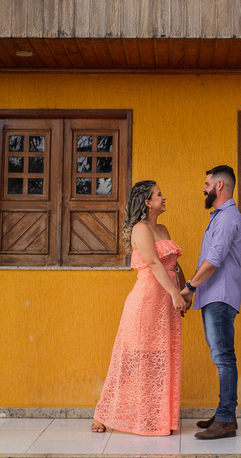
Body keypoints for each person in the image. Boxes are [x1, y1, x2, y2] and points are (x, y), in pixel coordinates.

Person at [92, 181, 190, 436]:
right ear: (148, 202)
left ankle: (156, 417)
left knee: (159, 359)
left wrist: (185, 291)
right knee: (132, 360)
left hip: (166, 303)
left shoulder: (164, 228)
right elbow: (155, 264)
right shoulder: (140, 229)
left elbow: (173, 266)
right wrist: (174, 295)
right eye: (159, 194)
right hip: (146, 302)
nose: (164, 196)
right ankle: (102, 413)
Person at [182, 165, 241, 440]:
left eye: (207, 183)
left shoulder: (228, 217)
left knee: (223, 357)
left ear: (220, 186)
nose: (204, 188)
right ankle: (224, 413)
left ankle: (225, 419)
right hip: (214, 296)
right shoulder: (220, 216)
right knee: (220, 356)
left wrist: (189, 287)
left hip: (220, 295)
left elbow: (214, 260)